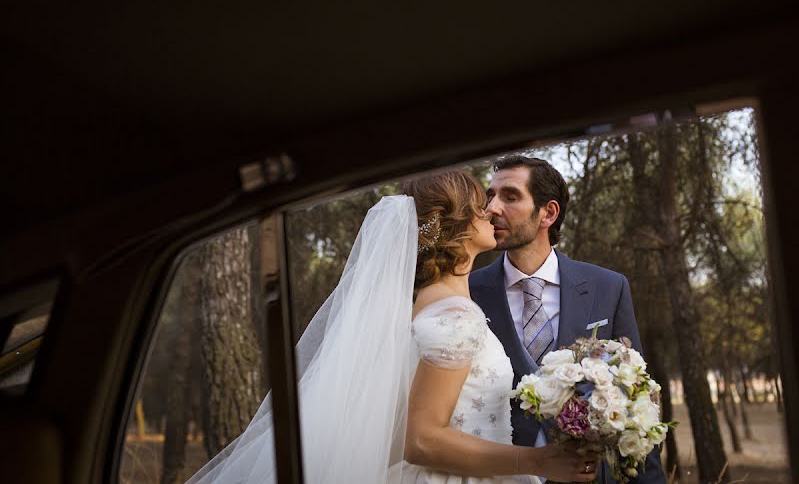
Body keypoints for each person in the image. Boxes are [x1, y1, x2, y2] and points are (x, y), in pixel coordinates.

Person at [185, 170, 597, 484]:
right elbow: (421, 440)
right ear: (455, 227)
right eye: (479, 204)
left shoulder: (429, 304)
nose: (491, 210)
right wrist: (536, 461)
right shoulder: (456, 317)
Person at [469, 156, 665, 484]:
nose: (493, 208)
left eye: (511, 196)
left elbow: (636, 402)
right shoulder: (468, 291)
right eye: (491, 196)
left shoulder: (609, 287)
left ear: (549, 212)